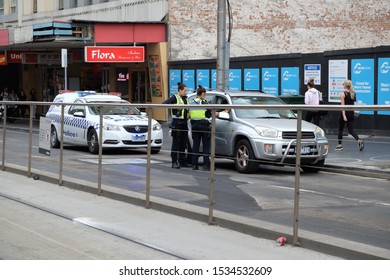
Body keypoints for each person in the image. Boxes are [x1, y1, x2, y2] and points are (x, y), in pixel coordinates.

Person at [163, 82, 191, 169]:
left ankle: (182, 161)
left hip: (184, 123)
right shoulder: (174, 97)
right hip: (177, 123)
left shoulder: (185, 99)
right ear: (180, 90)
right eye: (184, 91)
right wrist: (175, 106)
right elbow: (164, 104)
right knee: (176, 143)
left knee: (183, 143)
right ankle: (174, 161)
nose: (185, 92)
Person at [335, 79, 364, 151]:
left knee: (340, 129)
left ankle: (339, 145)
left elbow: (343, 106)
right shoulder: (353, 93)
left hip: (344, 113)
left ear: (345, 85)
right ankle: (359, 140)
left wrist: (344, 116)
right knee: (351, 130)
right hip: (351, 113)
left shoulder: (343, 94)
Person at [189, 86, 212, 171]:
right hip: (204, 126)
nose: (205, 95)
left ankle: (194, 165)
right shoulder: (205, 102)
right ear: (201, 94)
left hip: (195, 126)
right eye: (204, 93)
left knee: (196, 146)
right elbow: (210, 113)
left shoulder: (191, 102)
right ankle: (206, 165)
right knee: (206, 146)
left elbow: (189, 114)